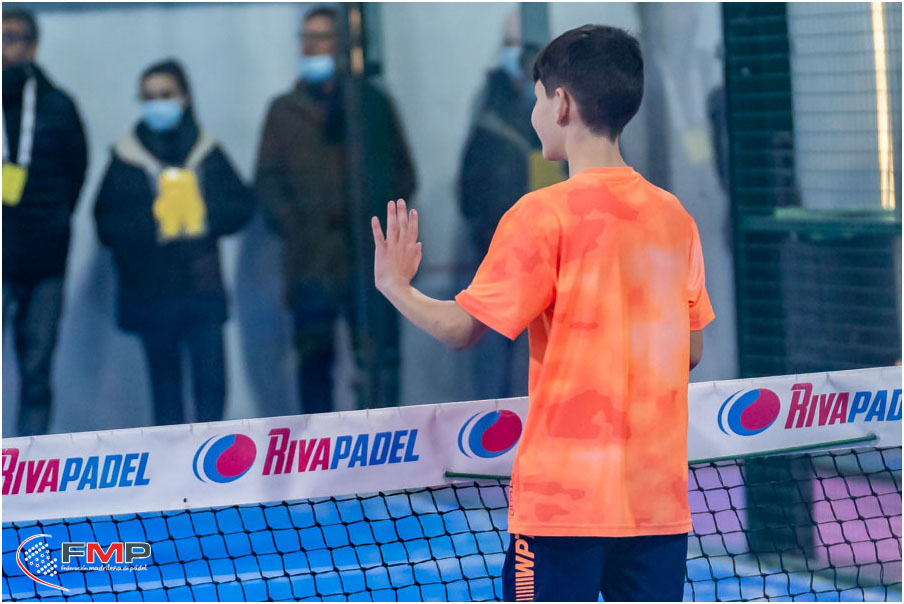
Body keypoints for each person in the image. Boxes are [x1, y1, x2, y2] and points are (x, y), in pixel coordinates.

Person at [371, 25, 714, 602]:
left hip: (562, 509)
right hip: (656, 502)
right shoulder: (673, 215)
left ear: (561, 104)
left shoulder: (541, 215)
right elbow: (691, 349)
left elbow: (459, 329)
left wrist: (394, 286)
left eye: (536, 99)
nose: (533, 114)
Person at [255, 6, 415, 414]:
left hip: (367, 262)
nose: (312, 47)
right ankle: (320, 449)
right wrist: (296, 226)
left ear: (342, 45)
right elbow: (267, 183)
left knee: (378, 362)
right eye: (306, 38)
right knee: (314, 367)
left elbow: (402, 173)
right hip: (310, 265)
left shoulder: (370, 105)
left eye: (321, 38)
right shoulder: (284, 112)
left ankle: (385, 440)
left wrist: (377, 223)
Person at [94, 59, 254, 426]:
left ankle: (214, 462)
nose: (158, 104)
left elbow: (242, 205)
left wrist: (203, 215)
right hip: (152, 295)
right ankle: (173, 464)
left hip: (202, 290)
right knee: (166, 399)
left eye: (165, 95)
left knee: (212, 389)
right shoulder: (127, 157)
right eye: (149, 97)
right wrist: (153, 222)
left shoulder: (205, 151)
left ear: (184, 97)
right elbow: (106, 224)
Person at [458, 13, 565, 401]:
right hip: (501, 257)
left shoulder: (569, 107)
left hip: (562, 260)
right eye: (510, 45)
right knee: (494, 365)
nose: (518, 55)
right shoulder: (489, 106)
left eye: (525, 46)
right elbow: (469, 188)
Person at [2, 8, 88, 436]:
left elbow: (77, 170)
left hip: (44, 261)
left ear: (33, 46)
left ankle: (30, 464)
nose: (5, 48)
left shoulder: (57, 105)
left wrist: (53, 223)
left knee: (37, 371)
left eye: (13, 38)